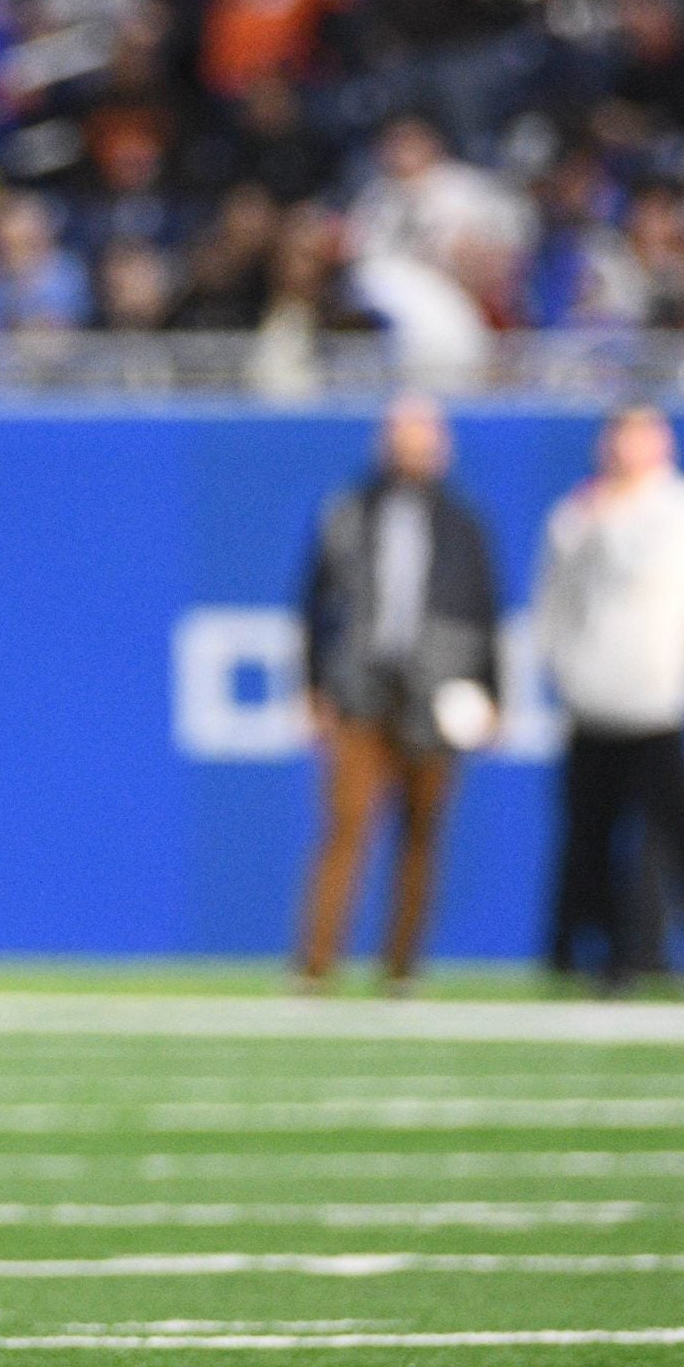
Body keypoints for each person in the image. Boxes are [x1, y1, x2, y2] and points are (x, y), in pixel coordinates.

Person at [295, 393, 503, 990]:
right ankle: (316, 964)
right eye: (401, 435)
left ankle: (402, 967)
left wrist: (492, 694)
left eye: (422, 436)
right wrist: (312, 686)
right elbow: (314, 606)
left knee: (422, 834)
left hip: (436, 695)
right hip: (361, 689)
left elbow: (485, 614)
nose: (411, 448)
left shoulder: (464, 523)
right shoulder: (349, 511)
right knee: (346, 827)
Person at [535, 406, 684, 994]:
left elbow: (652, 571)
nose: (624, 449)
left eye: (638, 436)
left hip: (654, 698)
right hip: (592, 699)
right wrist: (564, 672)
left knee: (680, 832)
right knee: (593, 838)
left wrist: (606, 515)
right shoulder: (574, 514)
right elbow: (553, 603)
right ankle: (608, 958)